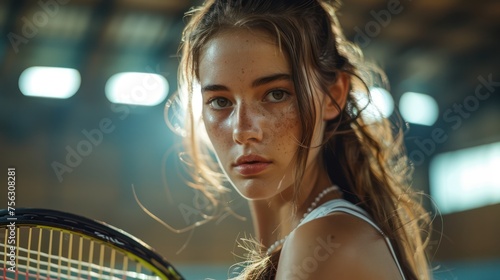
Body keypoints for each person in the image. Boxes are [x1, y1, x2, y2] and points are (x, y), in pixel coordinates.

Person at [168, 0, 432, 279]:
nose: (242, 130)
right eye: (220, 101)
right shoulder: (317, 238)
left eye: (276, 94)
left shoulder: (323, 244)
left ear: (334, 95)